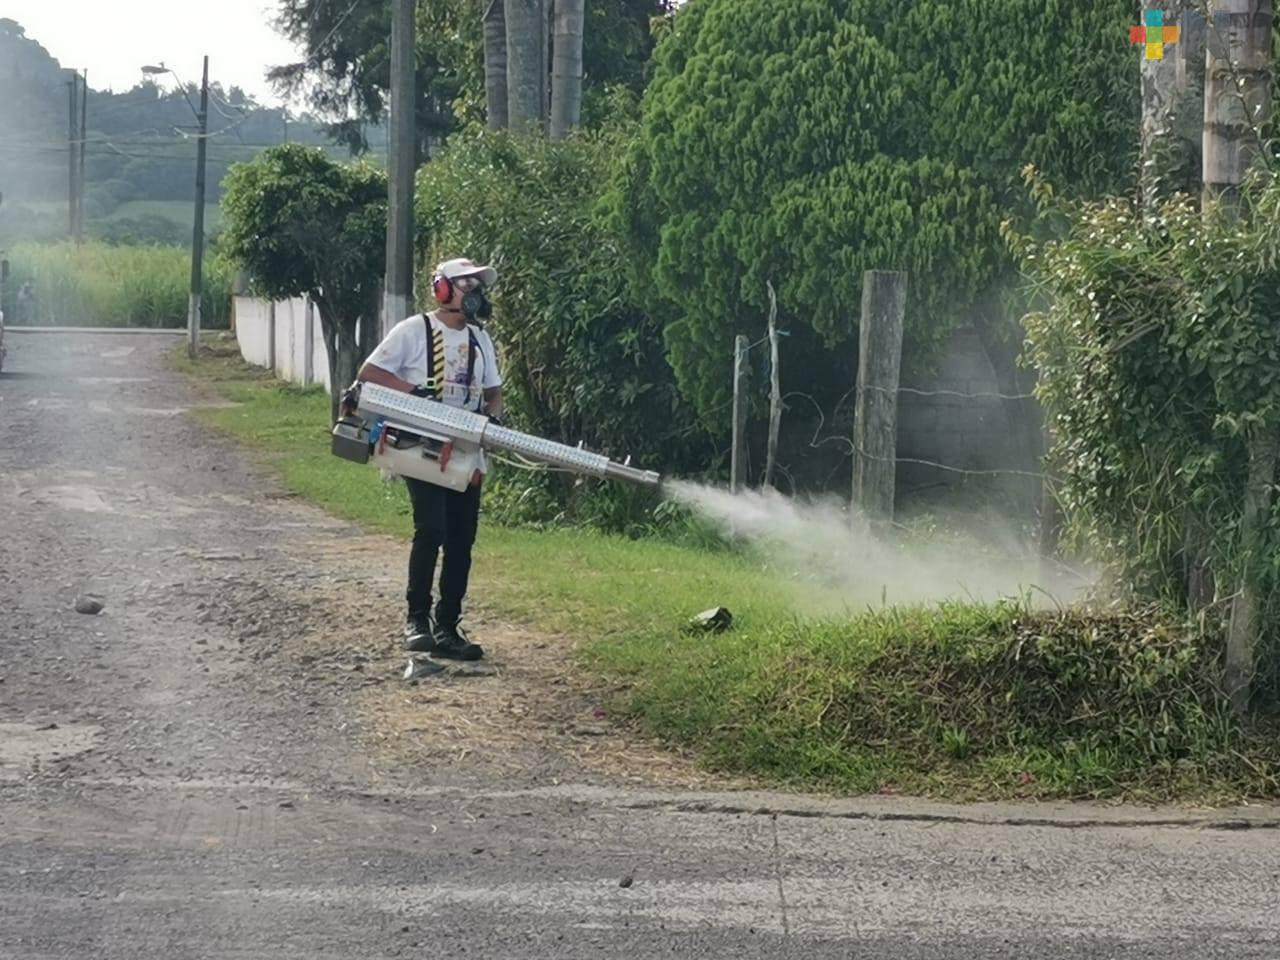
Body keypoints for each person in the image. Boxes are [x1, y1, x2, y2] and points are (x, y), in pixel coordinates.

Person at [357, 258, 504, 660]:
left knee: (461, 540)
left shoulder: (480, 339)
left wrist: (493, 414)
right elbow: (369, 374)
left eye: (477, 286)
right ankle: (416, 619)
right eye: (465, 284)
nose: (474, 292)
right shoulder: (414, 331)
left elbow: (493, 391)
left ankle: (448, 626)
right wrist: (412, 390)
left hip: (465, 448)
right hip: (420, 446)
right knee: (431, 529)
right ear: (442, 289)